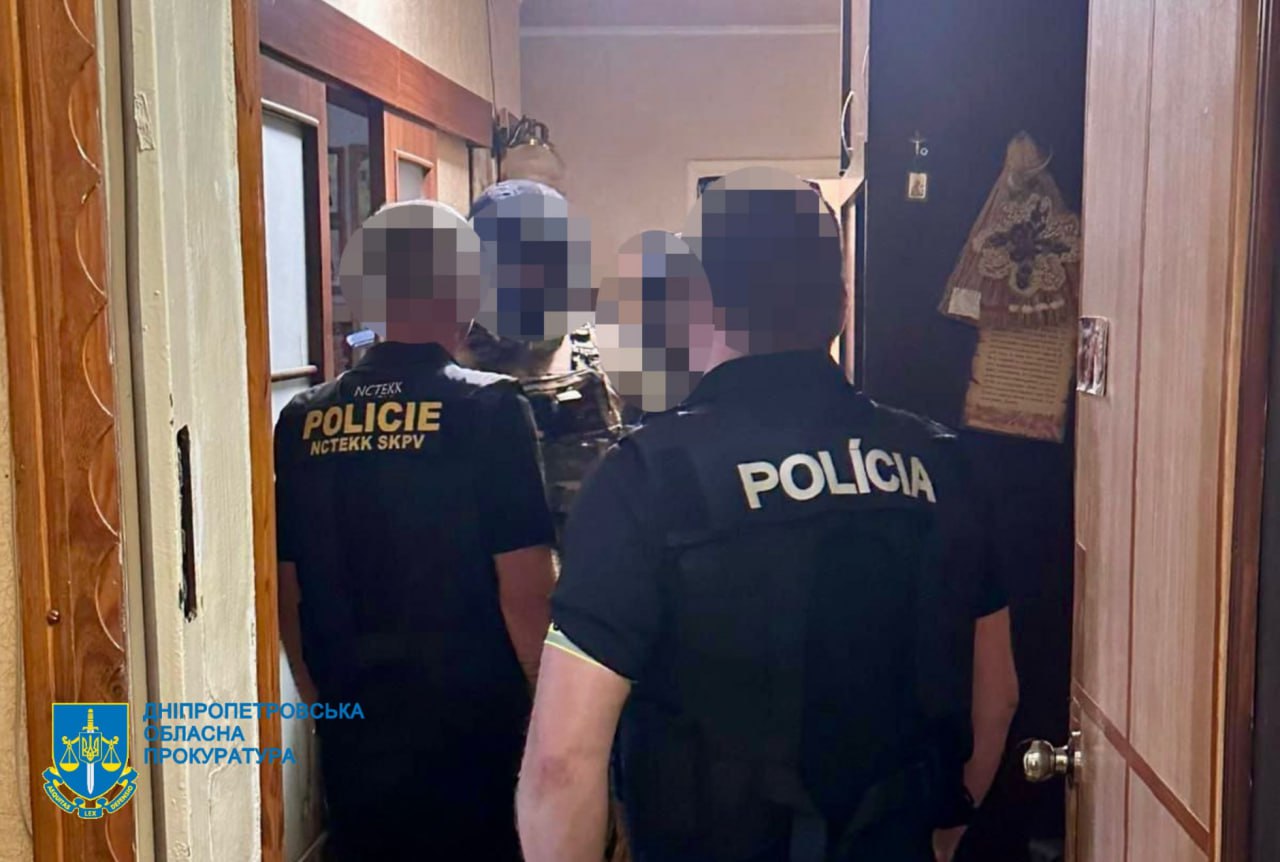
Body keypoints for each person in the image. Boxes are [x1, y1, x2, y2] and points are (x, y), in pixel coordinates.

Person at [517, 169, 1019, 862]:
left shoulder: (645, 479)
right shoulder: (941, 464)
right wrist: (941, 837)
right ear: (841, 304)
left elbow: (560, 765)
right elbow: (997, 694)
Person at [273, 200, 556, 861]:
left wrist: (326, 709)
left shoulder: (303, 418)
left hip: (355, 725)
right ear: (466, 291)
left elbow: (287, 590)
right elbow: (525, 593)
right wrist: (551, 723)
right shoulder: (489, 407)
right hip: (473, 729)